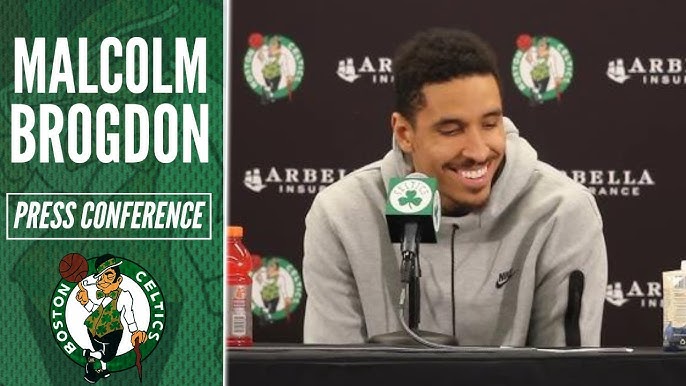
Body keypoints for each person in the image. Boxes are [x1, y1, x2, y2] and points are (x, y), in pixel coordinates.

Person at [302, 28, 607, 347]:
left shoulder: (562, 211)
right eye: (451, 130)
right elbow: (331, 369)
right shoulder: (341, 214)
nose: (477, 150)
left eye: (490, 124)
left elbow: (567, 372)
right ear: (405, 133)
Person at [76, 254, 148, 383]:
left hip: (111, 330)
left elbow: (128, 314)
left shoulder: (124, 296)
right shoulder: (103, 296)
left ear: (119, 279)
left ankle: (97, 364)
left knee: (105, 354)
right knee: (105, 354)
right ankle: (92, 357)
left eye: (109, 276)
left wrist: (135, 331)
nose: (103, 281)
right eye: (101, 277)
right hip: (93, 328)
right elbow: (95, 310)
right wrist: (85, 301)